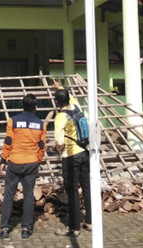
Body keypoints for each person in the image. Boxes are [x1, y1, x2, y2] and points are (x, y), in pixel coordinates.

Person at [0, 93, 46, 239]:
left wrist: (3, 160)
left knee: (9, 195)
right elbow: (42, 146)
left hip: (15, 163)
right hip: (31, 163)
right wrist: (38, 161)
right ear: (35, 107)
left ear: (22, 105)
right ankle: (26, 229)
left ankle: (4, 228)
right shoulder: (41, 124)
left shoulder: (13, 121)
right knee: (28, 195)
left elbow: (8, 142)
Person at [53, 88, 92, 237]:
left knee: (72, 191)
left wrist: (59, 149)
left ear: (57, 102)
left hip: (70, 156)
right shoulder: (76, 106)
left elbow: (59, 140)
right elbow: (73, 97)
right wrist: (60, 87)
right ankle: (89, 221)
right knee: (87, 187)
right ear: (69, 98)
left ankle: (74, 227)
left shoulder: (60, 116)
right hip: (84, 152)